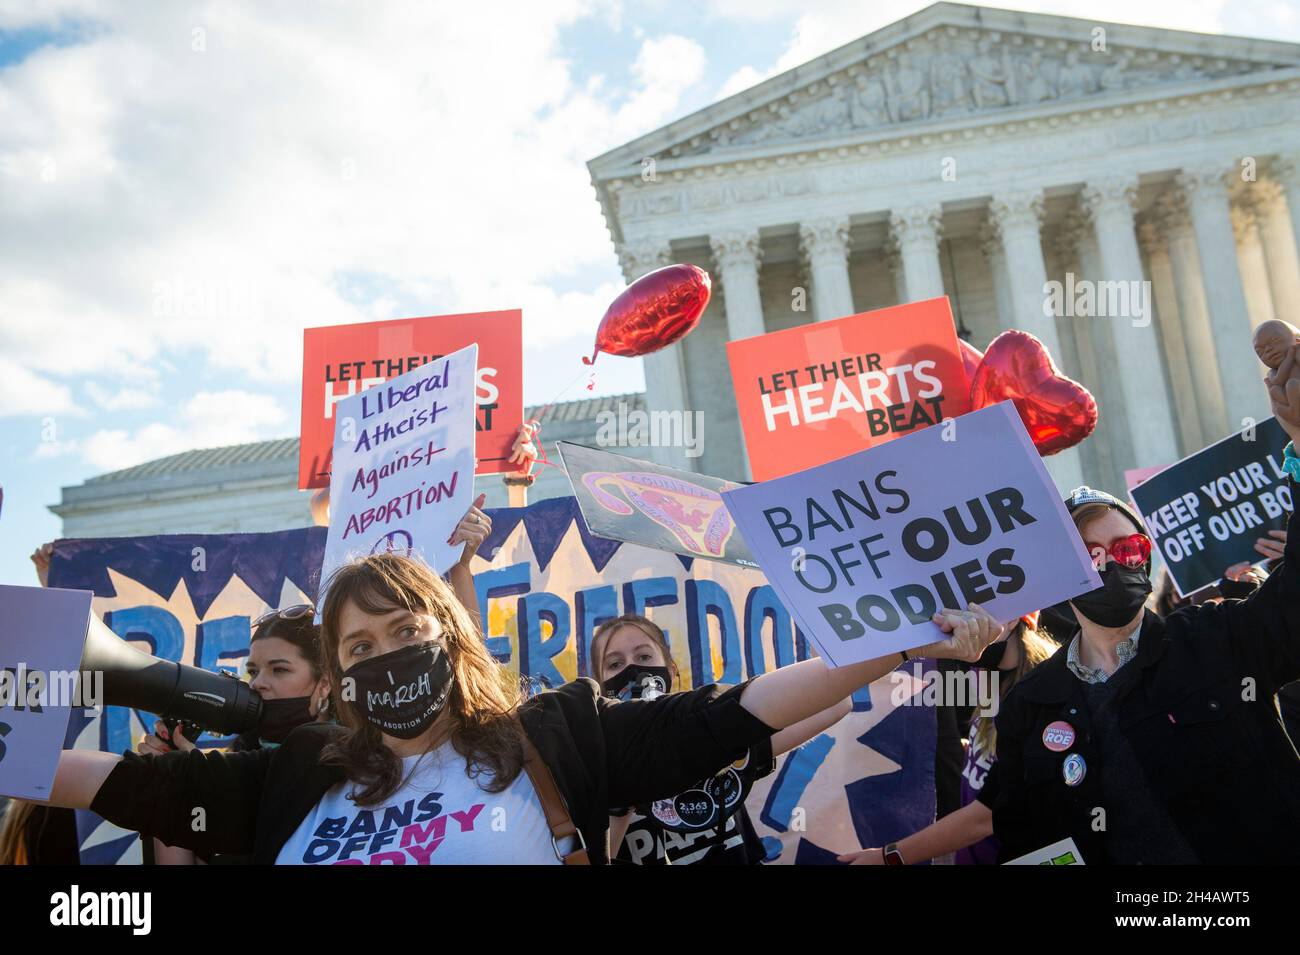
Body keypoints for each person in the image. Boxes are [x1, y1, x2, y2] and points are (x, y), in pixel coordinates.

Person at [42, 550, 997, 865]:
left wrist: (893, 640)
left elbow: (736, 711)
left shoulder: (554, 737)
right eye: (359, 649)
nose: (384, 658)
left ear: (450, 634)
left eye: (400, 632)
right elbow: (102, 778)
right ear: (336, 679)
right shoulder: (294, 773)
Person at [989, 385, 1300, 863]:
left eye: (1128, 550)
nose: (1114, 565)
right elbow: (1021, 838)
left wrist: (1299, 445)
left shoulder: (1216, 638)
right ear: (1061, 570)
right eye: (1091, 556)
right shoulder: (1027, 708)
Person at [590, 613, 850, 864]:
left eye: (644, 656)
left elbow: (836, 704)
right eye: (615, 664)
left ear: (670, 669)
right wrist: (619, 793)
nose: (633, 669)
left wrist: (808, 607)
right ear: (598, 685)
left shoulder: (716, 730)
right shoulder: (586, 766)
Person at [837, 615, 1056, 865]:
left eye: (974, 615)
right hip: (969, 854)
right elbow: (992, 751)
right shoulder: (983, 671)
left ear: (1014, 619)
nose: (960, 626)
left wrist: (887, 857)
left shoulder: (1044, 693)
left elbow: (985, 817)